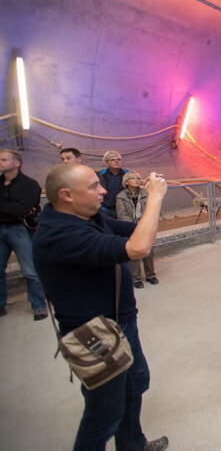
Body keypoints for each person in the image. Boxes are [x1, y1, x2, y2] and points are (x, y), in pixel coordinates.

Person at [33, 164, 169, 451]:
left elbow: (138, 231)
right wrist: (154, 198)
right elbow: (138, 248)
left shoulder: (91, 217)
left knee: (135, 385)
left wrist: (148, 203)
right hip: (93, 333)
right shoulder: (59, 234)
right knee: (105, 413)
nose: (103, 190)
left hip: (120, 320)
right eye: (94, 186)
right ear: (66, 195)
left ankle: (132, 444)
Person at [0, 149, 47, 320]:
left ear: (16, 163)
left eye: (4, 160)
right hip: (1, 228)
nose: (0, 162)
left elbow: (21, 210)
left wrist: (7, 207)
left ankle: (38, 305)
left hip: (19, 229)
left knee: (30, 270)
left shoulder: (29, 185)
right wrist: (9, 207)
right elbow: (14, 208)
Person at [116, 172, 159, 288]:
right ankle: (136, 279)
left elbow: (151, 209)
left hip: (145, 227)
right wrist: (134, 225)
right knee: (134, 253)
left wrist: (145, 222)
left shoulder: (146, 193)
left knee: (149, 252)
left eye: (138, 178)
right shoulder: (120, 196)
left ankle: (151, 275)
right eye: (132, 178)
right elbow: (122, 214)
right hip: (131, 227)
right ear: (126, 182)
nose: (136, 180)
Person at [96, 151, 129, 218]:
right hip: (104, 209)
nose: (116, 161)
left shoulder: (128, 174)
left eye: (119, 159)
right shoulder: (100, 174)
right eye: (113, 160)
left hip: (124, 209)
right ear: (107, 162)